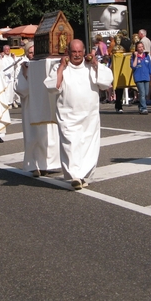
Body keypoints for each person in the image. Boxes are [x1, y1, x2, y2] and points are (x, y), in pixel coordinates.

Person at [44, 39, 113, 189]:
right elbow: (53, 87)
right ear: (68, 52)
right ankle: (75, 175)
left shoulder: (91, 66)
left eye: (79, 52)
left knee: (88, 145)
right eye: (73, 52)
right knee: (71, 144)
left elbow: (106, 82)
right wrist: (62, 66)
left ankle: (82, 175)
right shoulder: (60, 67)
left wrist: (95, 64)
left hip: (89, 115)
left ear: (84, 52)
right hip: (68, 114)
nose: (76, 55)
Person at [14, 42, 61, 177]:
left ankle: (48, 164)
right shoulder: (23, 66)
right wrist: (25, 73)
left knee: (49, 136)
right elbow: (20, 89)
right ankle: (35, 165)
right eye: (30, 52)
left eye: (35, 52)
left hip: (46, 103)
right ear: (27, 53)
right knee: (33, 136)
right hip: (30, 105)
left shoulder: (46, 65)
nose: (33, 54)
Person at [131, 41, 151, 114]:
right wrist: (136, 57)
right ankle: (144, 108)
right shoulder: (133, 57)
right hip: (138, 77)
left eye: (142, 47)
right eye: (139, 47)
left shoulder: (146, 56)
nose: (141, 48)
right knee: (142, 93)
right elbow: (133, 66)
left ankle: (140, 105)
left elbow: (150, 68)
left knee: (146, 93)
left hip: (146, 77)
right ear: (136, 49)